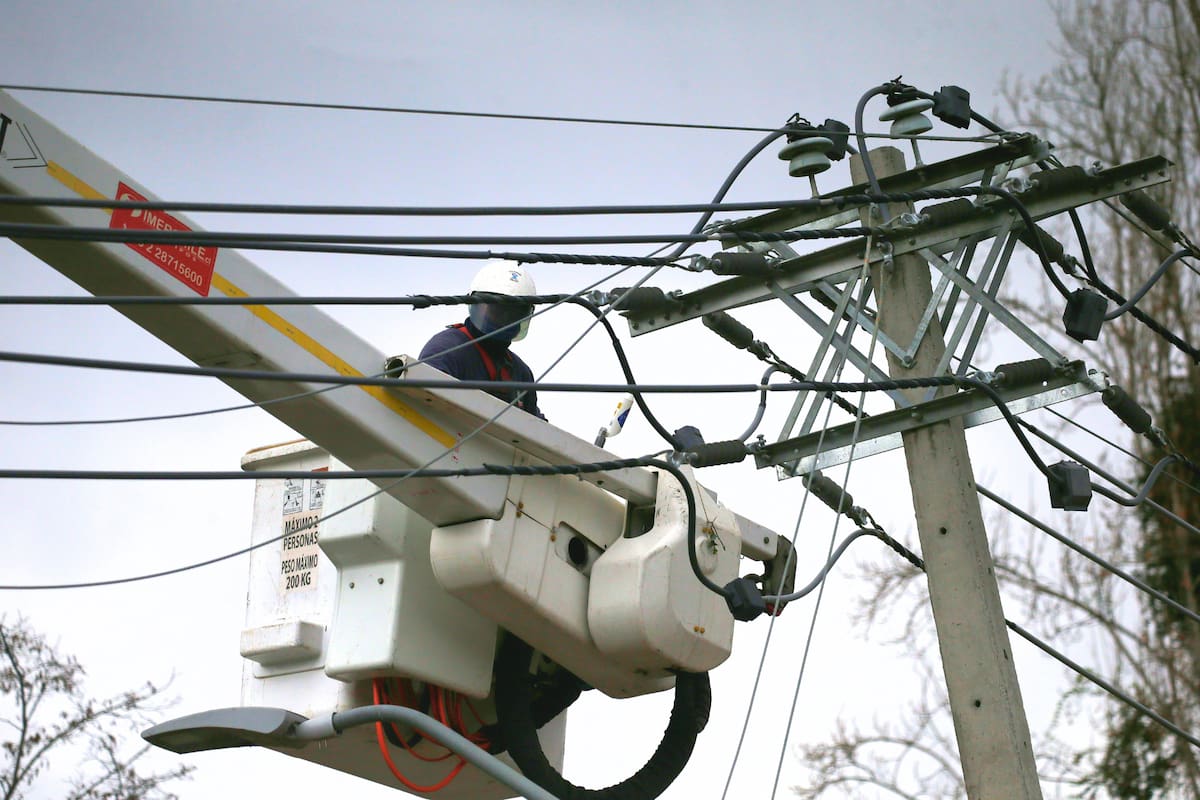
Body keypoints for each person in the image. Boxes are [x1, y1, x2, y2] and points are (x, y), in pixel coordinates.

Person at [419, 261, 544, 419]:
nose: (505, 320)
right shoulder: (447, 349)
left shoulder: (521, 372)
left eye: (514, 314)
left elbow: (536, 426)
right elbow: (423, 401)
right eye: (498, 311)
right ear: (476, 305)